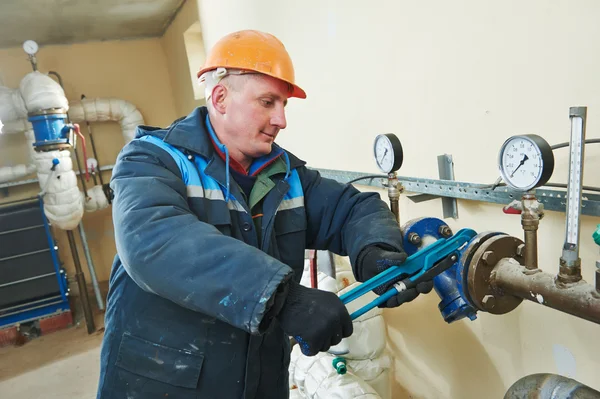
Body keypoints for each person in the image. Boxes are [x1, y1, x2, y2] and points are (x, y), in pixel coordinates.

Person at [96, 29, 433, 399]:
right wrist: (284, 300)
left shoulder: (283, 175)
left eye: (284, 106)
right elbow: (153, 241)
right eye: (268, 102)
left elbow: (353, 207)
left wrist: (376, 253)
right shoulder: (151, 160)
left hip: (259, 381)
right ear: (221, 98)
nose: (282, 120)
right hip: (165, 382)